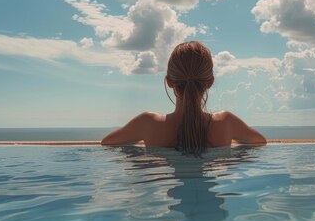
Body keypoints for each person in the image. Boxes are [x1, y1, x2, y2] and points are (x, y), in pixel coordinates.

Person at [101, 41, 266, 154]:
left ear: (170, 82)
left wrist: (140, 159)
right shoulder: (226, 123)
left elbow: (107, 144)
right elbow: (260, 142)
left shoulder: (147, 123)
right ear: (209, 83)